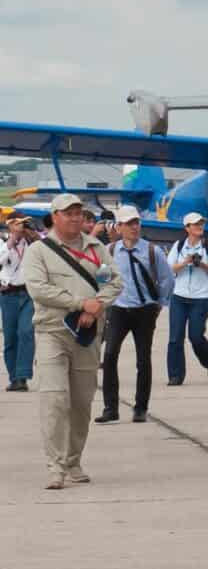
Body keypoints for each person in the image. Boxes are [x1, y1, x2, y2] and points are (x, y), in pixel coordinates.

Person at [25, 195, 120, 489]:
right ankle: (55, 466)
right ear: (55, 216)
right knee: (54, 400)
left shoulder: (96, 248)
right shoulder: (39, 251)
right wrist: (81, 304)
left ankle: (72, 460)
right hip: (52, 332)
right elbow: (38, 289)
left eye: (79, 213)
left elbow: (114, 281)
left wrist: (98, 306)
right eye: (69, 214)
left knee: (81, 403)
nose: (76, 218)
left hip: (87, 336)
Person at [98, 206, 170, 424]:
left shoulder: (152, 251)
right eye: (128, 223)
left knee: (143, 359)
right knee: (109, 356)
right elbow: (102, 279)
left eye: (136, 222)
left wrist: (159, 304)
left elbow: (167, 279)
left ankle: (140, 407)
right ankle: (111, 407)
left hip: (145, 310)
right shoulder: (110, 251)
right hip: (119, 309)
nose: (134, 227)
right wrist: (103, 302)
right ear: (118, 227)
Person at [3, 213, 39, 392]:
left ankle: (23, 376)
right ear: (9, 225)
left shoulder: (32, 243)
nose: (21, 227)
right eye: (18, 224)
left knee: (26, 332)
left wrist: (34, 235)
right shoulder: (3, 242)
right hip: (8, 294)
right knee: (10, 338)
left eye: (24, 223)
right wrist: (12, 241)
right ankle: (14, 377)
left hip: (28, 294)